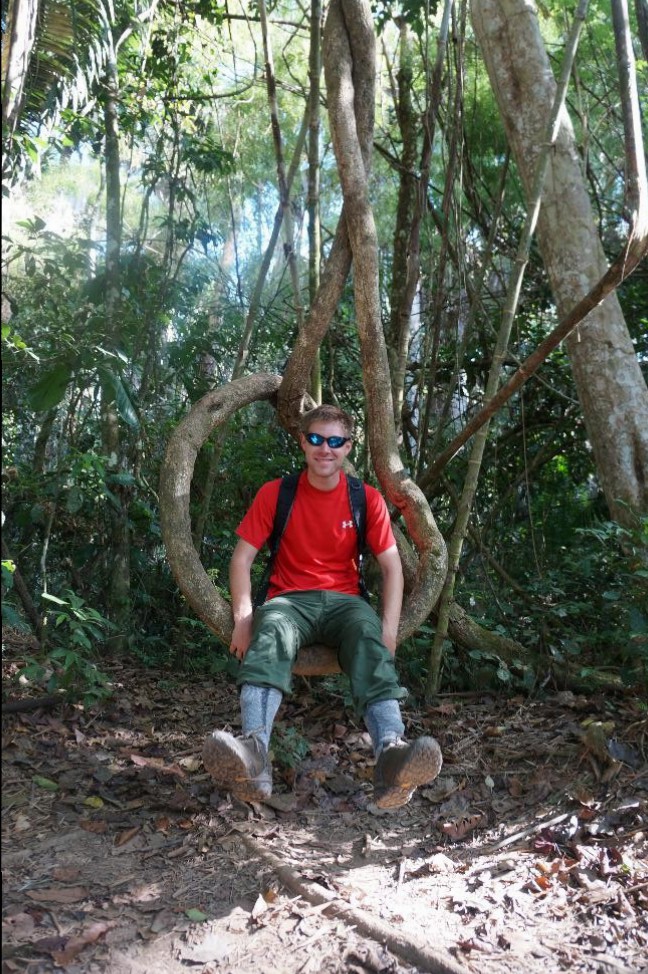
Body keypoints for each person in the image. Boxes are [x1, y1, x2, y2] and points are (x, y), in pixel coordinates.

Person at [203, 404, 442, 809]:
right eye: (316, 439)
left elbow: (392, 567)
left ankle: (391, 757)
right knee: (271, 628)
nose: (324, 449)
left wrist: (388, 628)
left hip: (346, 603)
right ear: (303, 442)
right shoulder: (276, 493)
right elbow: (241, 559)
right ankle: (253, 754)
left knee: (367, 637)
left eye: (335, 441)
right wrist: (243, 618)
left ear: (348, 447)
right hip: (289, 601)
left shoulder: (365, 499)